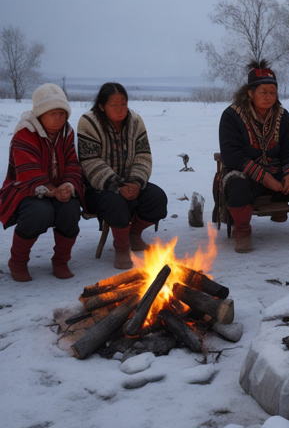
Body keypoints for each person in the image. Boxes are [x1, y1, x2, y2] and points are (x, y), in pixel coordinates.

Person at [219, 60, 289, 252]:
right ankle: (242, 232)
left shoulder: (283, 116)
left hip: (279, 175)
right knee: (235, 182)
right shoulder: (231, 116)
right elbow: (232, 155)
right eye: (263, 92)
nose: (269, 97)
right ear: (250, 93)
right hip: (249, 177)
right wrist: (264, 177)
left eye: (272, 92)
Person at [77, 82, 168, 270]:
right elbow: (90, 162)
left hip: (131, 183)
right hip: (98, 188)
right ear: (102, 106)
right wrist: (117, 185)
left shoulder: (135, 122)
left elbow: (143, 156)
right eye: (114, 105)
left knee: (157, 198)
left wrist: (135, 182)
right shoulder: (89, 122)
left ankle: (134, 234)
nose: (120, 109)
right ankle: (121, 248)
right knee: (115, 202)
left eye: (123, 103)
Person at [0, 84, 83, 281]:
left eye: (62, 113)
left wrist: (68, 186)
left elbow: (73, 162)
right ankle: (18, 261)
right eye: (52, 113)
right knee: (39, 212)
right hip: (25, 190)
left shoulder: (66, 133)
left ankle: (61, 261)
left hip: (59, 189)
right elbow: (27, 172)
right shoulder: (25, 133)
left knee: (71, 208)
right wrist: (52, 190)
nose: (58, 118)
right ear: (40, 114)